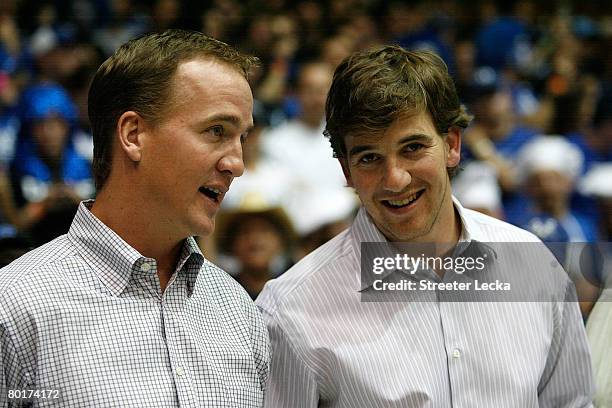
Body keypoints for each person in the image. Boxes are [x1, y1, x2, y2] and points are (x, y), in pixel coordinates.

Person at [257, 45, 593, 407]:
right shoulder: (289, 311)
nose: (396, 179)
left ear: (451, 145)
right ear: (346, 171)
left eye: (412, 147)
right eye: (369, 157)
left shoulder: (533, 266)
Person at [0, 29, 269, 407]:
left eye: (241, 138)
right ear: (133, 134)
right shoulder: (13, 307)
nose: (236, 164)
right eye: (216, 131)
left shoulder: (239, 311)